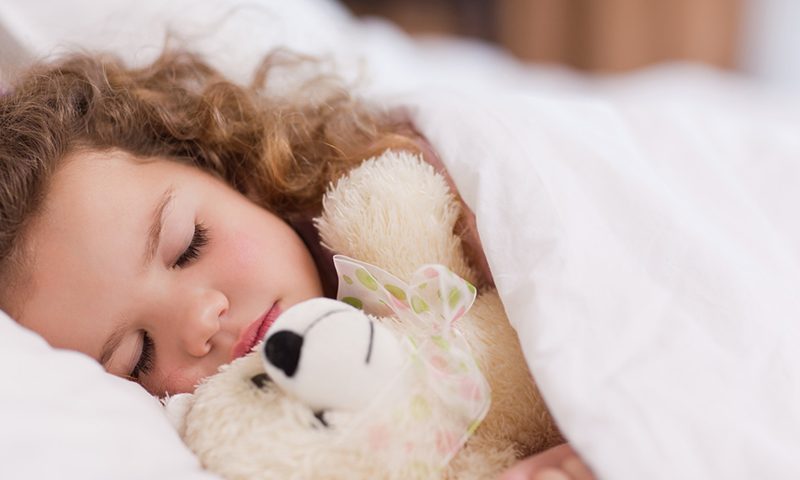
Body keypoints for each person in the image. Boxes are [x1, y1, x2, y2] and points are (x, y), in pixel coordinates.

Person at [0, 49, 594, 480]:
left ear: (225, 168)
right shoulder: (267, 451)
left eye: (189, 246)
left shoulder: (413, 191)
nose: (203, 319)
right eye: (138, 356)